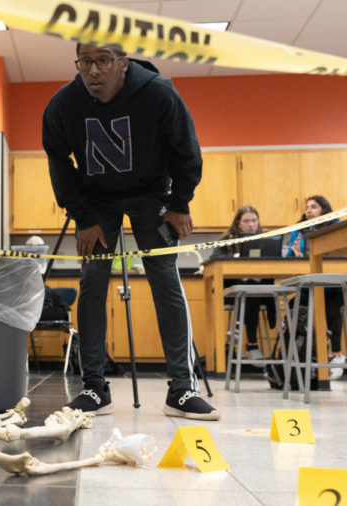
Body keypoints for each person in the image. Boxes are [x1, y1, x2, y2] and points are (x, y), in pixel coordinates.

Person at [42, 43, 219, 420]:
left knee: (165, 279)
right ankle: (94, 387)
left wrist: (180, 203)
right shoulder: (63, 105)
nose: (93, 71)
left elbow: (186, 151)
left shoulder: (159, 93)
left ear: (123, 63)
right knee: (92, 282)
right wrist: (83, 217)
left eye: (103, 61)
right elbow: (59, 162)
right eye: (85, 61)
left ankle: (181, 389)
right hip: (95, 201)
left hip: (151, 193)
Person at [285, 195, 346, 379]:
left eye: (314, 206)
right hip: (308, 287)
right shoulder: (299, 230)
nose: (309, 210)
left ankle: (336, 354)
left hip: (333, 286)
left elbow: (342, 254)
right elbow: (287, 261)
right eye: (307, 207)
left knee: (331, 307)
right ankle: (302, 353)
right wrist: (294, 254)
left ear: (324, 209)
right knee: (292, 307)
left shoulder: (337, 225)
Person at [210, 206, 276, 360]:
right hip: (233, 291)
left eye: (254, 220)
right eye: (246, 221)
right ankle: (251, 344)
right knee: (249, 290)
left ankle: (240, 329)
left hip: (258, 291)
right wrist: (233, 256)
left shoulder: (266, 240)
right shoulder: (228, 240)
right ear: (238, 223)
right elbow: (215, 259)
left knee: (251, 289)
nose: (251, 224)